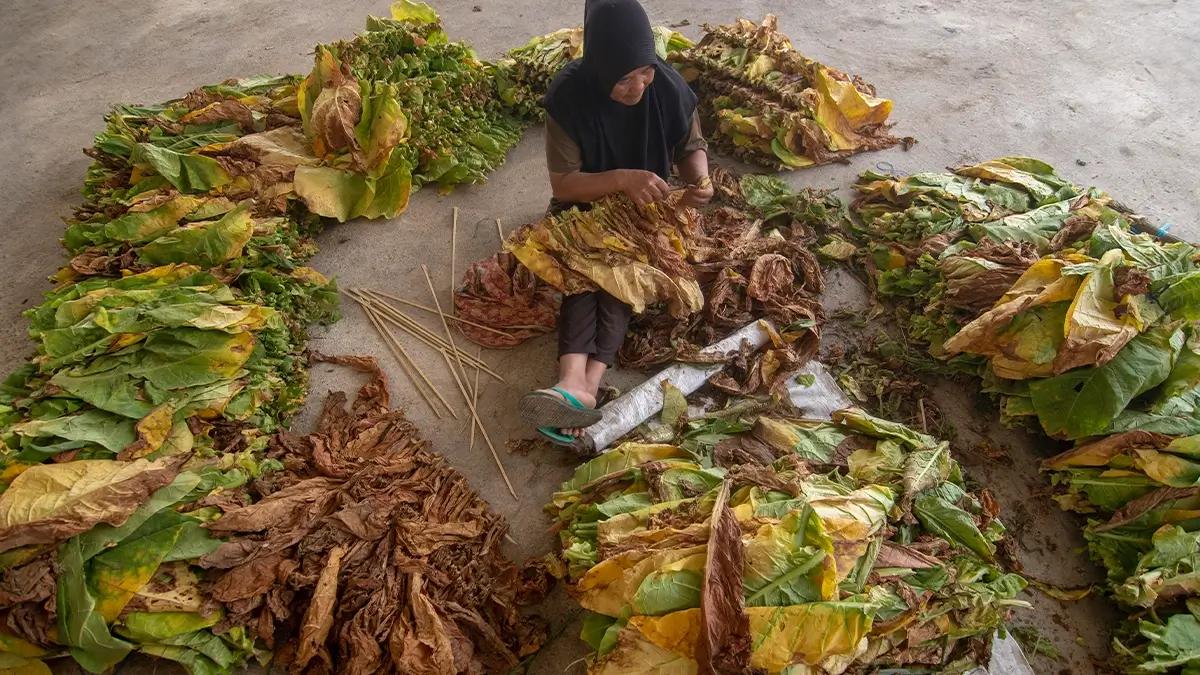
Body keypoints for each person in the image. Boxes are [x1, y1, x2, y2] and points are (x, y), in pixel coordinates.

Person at [518, 0, 712, 445]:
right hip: (584, 205)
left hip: (648, 208)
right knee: (584, 272)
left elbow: (691, 145)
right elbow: (565, 184)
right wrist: (623, 178)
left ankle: (585, 385)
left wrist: (699, 180)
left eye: (644, 70)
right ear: (600, 70)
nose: (638, 85)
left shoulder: (668, 87)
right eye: (623, 77)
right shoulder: (569, 96)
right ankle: (572, 379)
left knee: (625, 274)